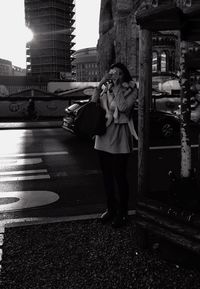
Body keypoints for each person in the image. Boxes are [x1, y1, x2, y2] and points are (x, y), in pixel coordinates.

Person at [91, 62, 138, 228]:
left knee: (120, 176)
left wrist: (117, 88)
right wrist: (100, 84)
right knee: (107, 177)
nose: (114, 76)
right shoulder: (106, 88)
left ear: (124, 75)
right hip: (103, 136)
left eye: (117, 73)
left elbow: (123, 108)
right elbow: (93, 103)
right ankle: (111, 208)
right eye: (112, 73)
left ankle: (123, 213)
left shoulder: (131, 89)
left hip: (120, 137)